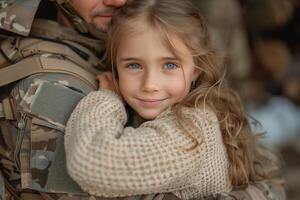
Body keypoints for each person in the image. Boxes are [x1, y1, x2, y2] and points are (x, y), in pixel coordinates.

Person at [0, 0, 285, 200]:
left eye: (170, 65)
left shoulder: (190, 127)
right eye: (133, 65)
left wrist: (106, 98)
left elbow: (97, 164)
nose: (150, 85)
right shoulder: (51, 79)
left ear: (195, 69)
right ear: (116, 63)